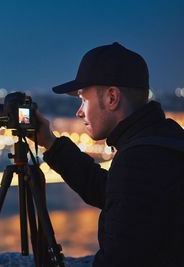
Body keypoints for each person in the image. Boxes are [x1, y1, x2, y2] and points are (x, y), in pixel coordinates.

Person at [33, 42, 184, 267]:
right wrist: (49, 142)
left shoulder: (138, 161)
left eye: (83, 99)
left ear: (112, 98)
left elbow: (119, 259)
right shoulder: (164, 140)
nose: (79, 111)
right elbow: (110, 191)